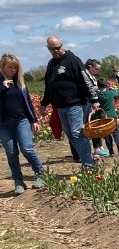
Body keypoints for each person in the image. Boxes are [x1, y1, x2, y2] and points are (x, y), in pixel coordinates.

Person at [40, 37, 99, 169]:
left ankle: (88, 164)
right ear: (48, 48)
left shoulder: (73, 60)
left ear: (62, 45)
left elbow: (86, 80)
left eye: (58, 47)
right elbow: (49, 86)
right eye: (53, 49)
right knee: (72, 135)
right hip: (60, 106)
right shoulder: (51, 64)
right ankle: (89, 160)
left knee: (77, 133)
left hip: (76, 103)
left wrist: (94, 99)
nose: (56, 50)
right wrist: (44, 103)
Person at [0, 53, 46, 194]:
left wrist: (34, 120)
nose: (13, 70)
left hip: (21, 120)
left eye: (15, 67)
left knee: (27, 148)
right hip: (3, 123)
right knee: (11, 152)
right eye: (10, 67)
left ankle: (41, 175)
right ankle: (18, 181)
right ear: (2, 67)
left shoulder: (19, 82)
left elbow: (28, 104)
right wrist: (2, 87)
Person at [83, 60, 110, 157]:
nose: (98, 71)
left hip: (94, 104)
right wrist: (94, 100)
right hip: (89, 103)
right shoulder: (84, 75)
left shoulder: (92, 77)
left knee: (98, 125)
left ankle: (100, 146)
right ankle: (96, 148)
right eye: (96, 68)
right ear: (90, 67)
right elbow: (90, 90)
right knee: (93, 126)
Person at [96, 78, 119, 155]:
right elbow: (118, 92)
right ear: (107, 85)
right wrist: (112, 88)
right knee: (116, 132)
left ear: (98, 86)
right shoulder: (111, 93)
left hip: (103, 117)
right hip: (112, 115)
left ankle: (111, 151)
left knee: (107, 134)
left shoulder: (98, 95)